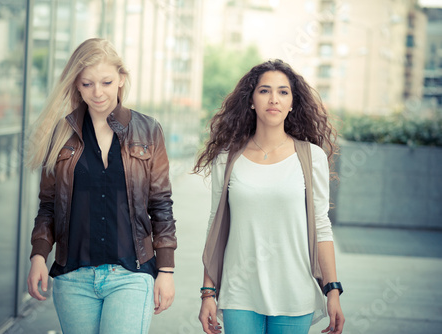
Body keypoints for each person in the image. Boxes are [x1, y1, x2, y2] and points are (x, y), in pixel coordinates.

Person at [25, 38, 176, 334]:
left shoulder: (148, 130)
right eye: (87, 84)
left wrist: (166, 270)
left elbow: (161, 205)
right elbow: (48, 206)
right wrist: (38, 255)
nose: (98, 93)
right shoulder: (60, 135)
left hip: (131, 274)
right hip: (73, 278)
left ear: (121, 79)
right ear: (77, 86)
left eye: (106, 82)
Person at [194, 59, 345, 334]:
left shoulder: (311, 157)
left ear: (292, 103)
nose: (273, 99)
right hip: (239, 290)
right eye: (264, 91)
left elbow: (322, 227)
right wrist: (207, 292)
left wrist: (332, 290)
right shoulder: (227, 158)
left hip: (294, 291)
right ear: (251, 100)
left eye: (283, 92)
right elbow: (215, 226)